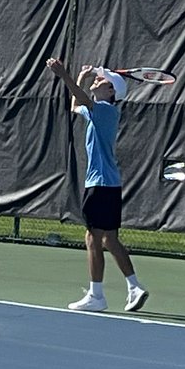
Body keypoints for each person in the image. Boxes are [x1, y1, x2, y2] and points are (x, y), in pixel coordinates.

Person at [46, 58, 149, 313]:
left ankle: (96, 296)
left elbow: (79, 96)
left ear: (111, 91)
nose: (97, 81)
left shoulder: (105, 110)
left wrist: (64, 75)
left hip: (100, 185)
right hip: (109, 186)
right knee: (110, 240)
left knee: (92, 237)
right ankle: (134, 287)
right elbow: (74, 105)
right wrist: (82, 78)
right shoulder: (97, 112)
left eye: (101, 81)